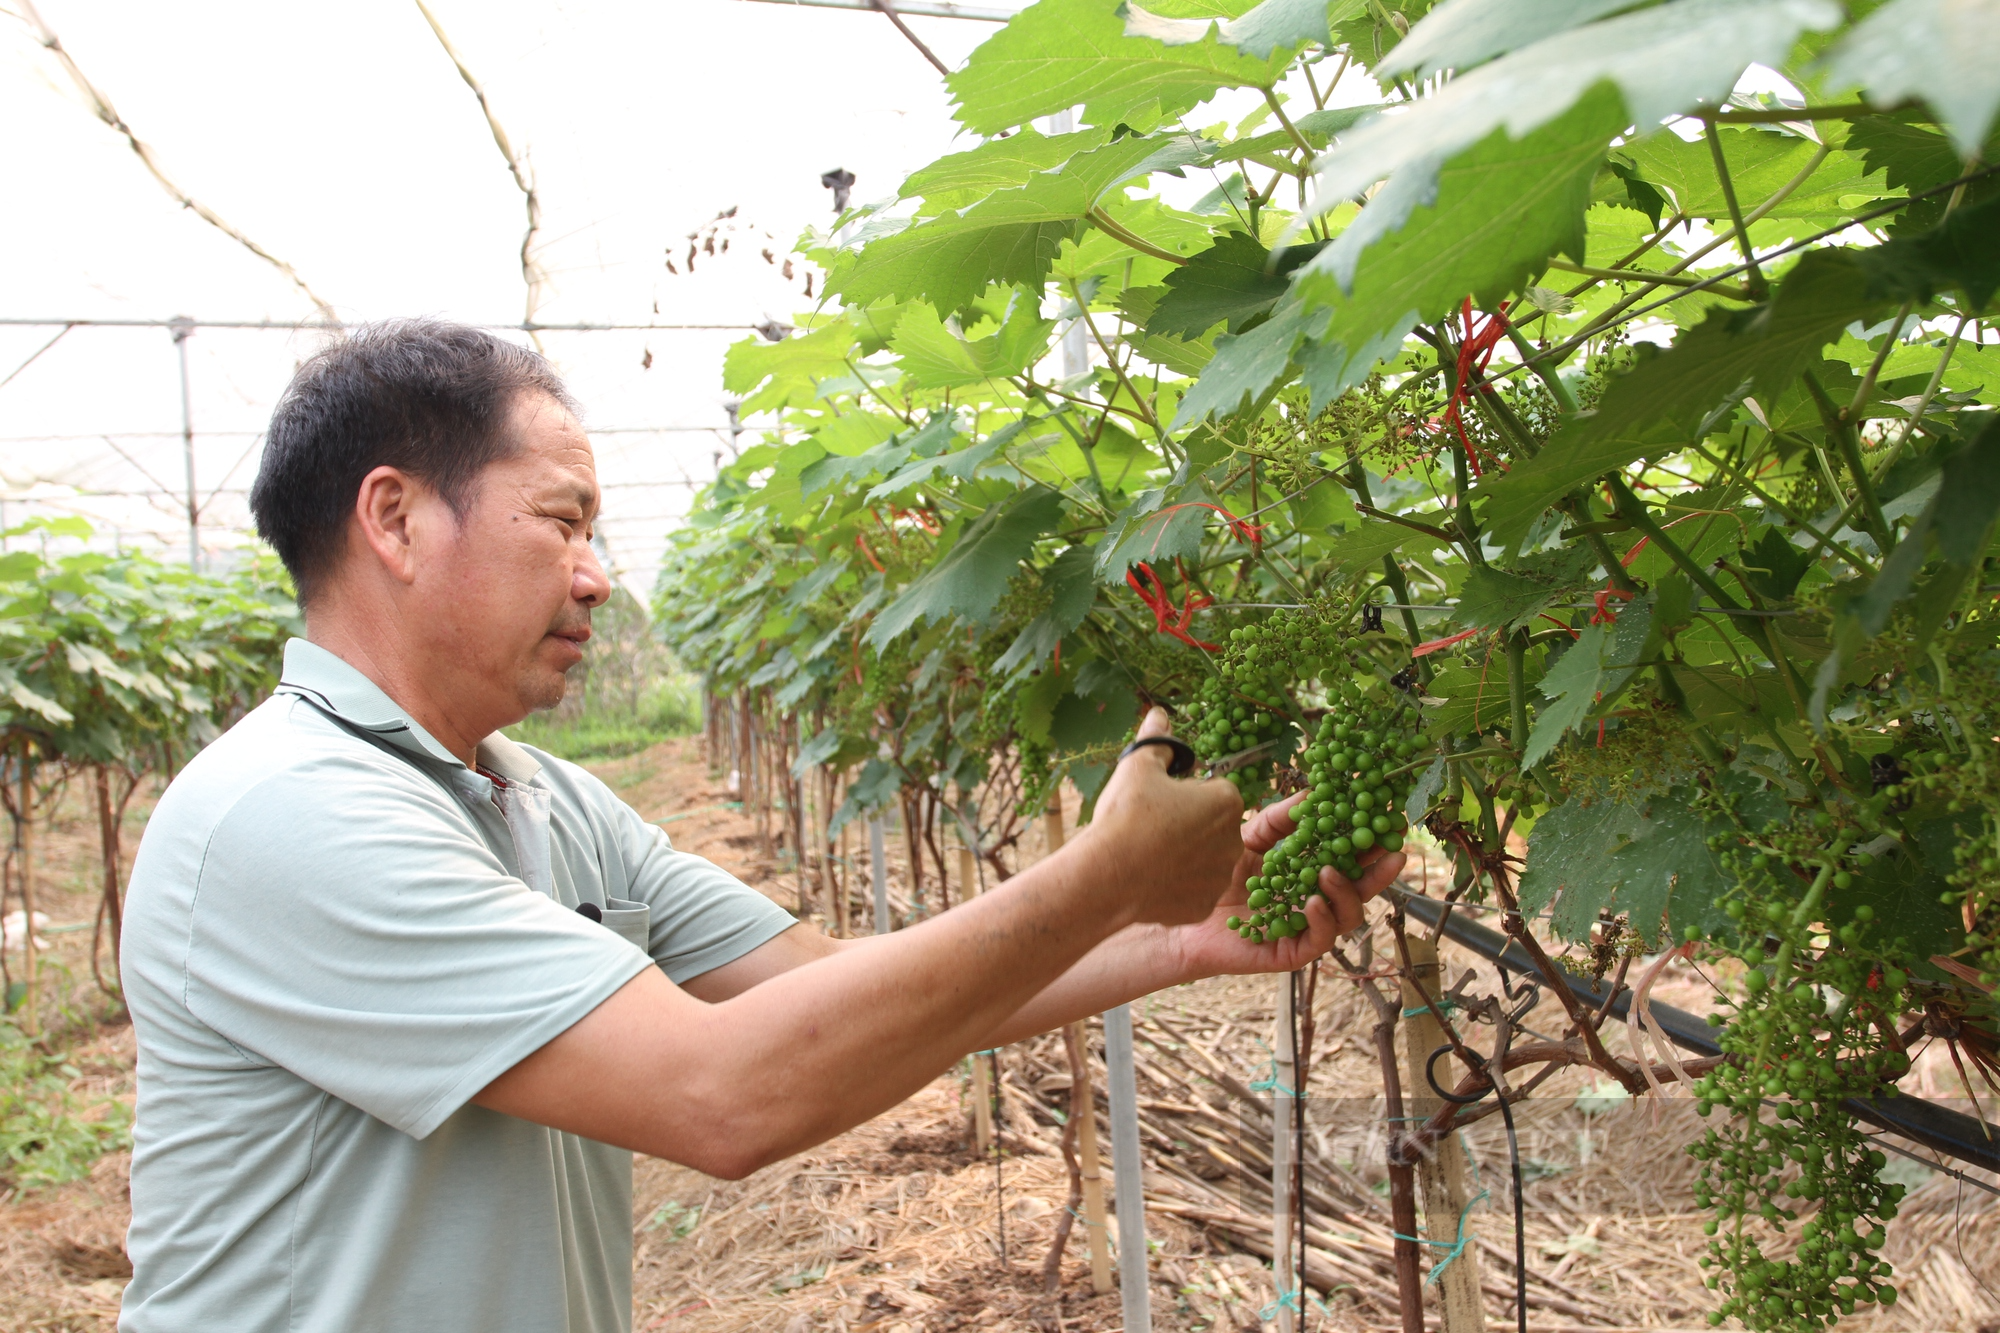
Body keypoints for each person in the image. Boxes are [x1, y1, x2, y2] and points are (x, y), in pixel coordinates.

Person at [118, 319, 1402, 1333]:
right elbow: (720, 1092)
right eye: (562, 519)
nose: (597, 574)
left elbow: (833, 992)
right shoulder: (284, 813)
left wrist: (1167, 934)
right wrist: (1103, 869)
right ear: (394, 518)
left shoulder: (539, 797)